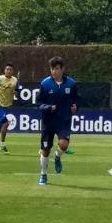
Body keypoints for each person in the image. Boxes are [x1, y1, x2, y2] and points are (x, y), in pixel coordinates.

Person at [36, 56, 78, 186]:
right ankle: (43, 175)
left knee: (64, 145)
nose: (54, 71)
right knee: (45, 150)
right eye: (52, 69)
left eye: (57, 69)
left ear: (62, 69)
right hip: (48, 123)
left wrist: (76, 107)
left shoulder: (71, 84)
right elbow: (38, 103)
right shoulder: (45, 83)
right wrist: (48, 107)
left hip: (63, 121)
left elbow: (76, 100)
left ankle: (58, 156)